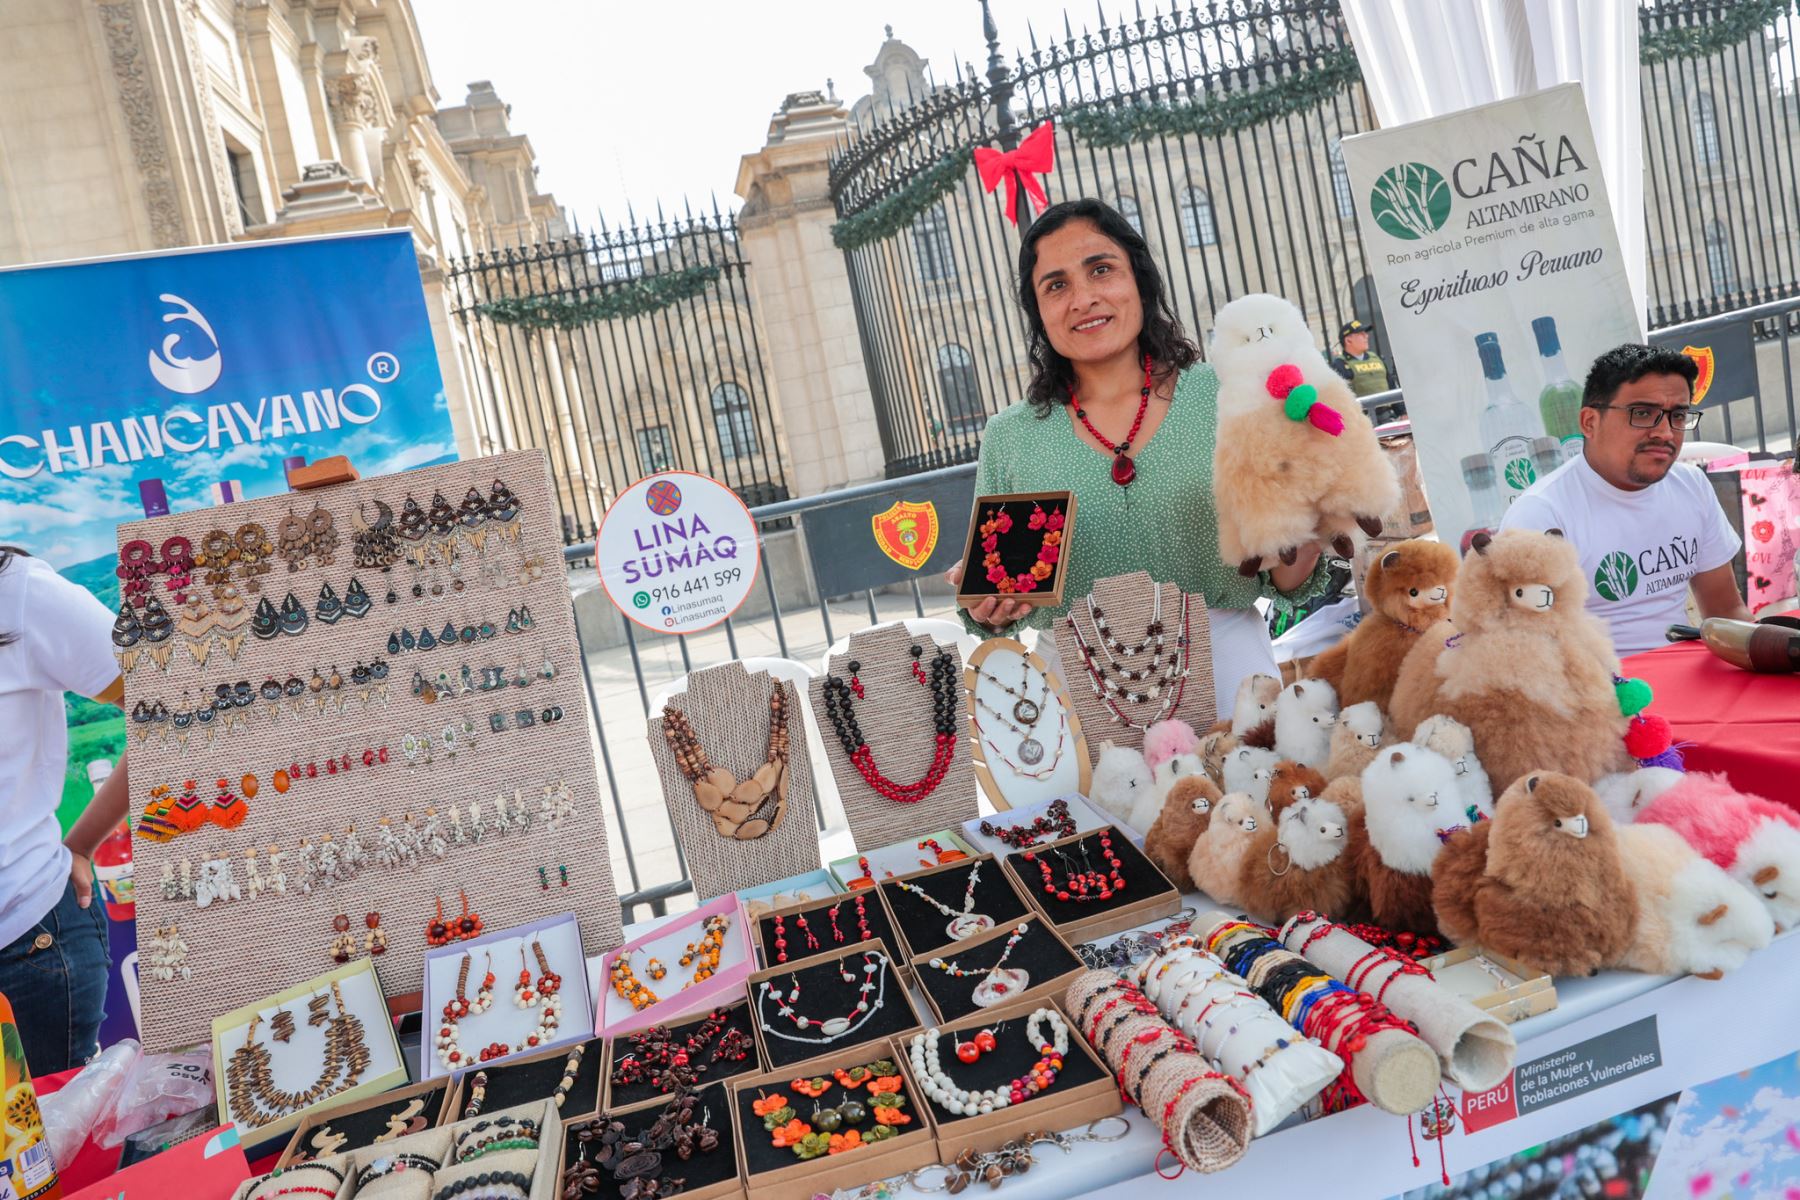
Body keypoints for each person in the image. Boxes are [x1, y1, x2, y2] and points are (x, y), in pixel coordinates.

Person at [952, 198, 1331, 710]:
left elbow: (1287, 575)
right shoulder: (1012, 437)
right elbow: (999, 597)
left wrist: (1314, 522)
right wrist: (985, 602)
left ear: (1140, 280)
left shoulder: (1229, 396)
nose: (1083, 298)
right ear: (1039, 312)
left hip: (1229, 683)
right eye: (1057, 285)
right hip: (1077, 701)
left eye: (1101, 270)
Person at [1500, 342, 1753, 657]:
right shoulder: (1540, 515)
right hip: (1600, 693)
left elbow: (1727, 611)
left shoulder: (1691, 486)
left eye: (1677, 415)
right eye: (1643, 413)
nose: (1665, 432)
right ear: (1589, 422)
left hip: (1690, 677)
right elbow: (1527, 655)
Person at [0, 546, 129, 1074]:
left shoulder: (18, 593)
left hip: (26, 946)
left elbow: (171, 708)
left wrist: (82, 841)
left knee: (57, 1155)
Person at [1329, 318, 1394, 399]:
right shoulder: (1339, 365)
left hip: (1388, 411)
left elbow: (1391, 386)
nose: (1366, 336)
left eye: (1365, 333)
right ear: (1348, 341)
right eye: (1361, 334)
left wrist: (1401, 411)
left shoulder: (1376, 358)